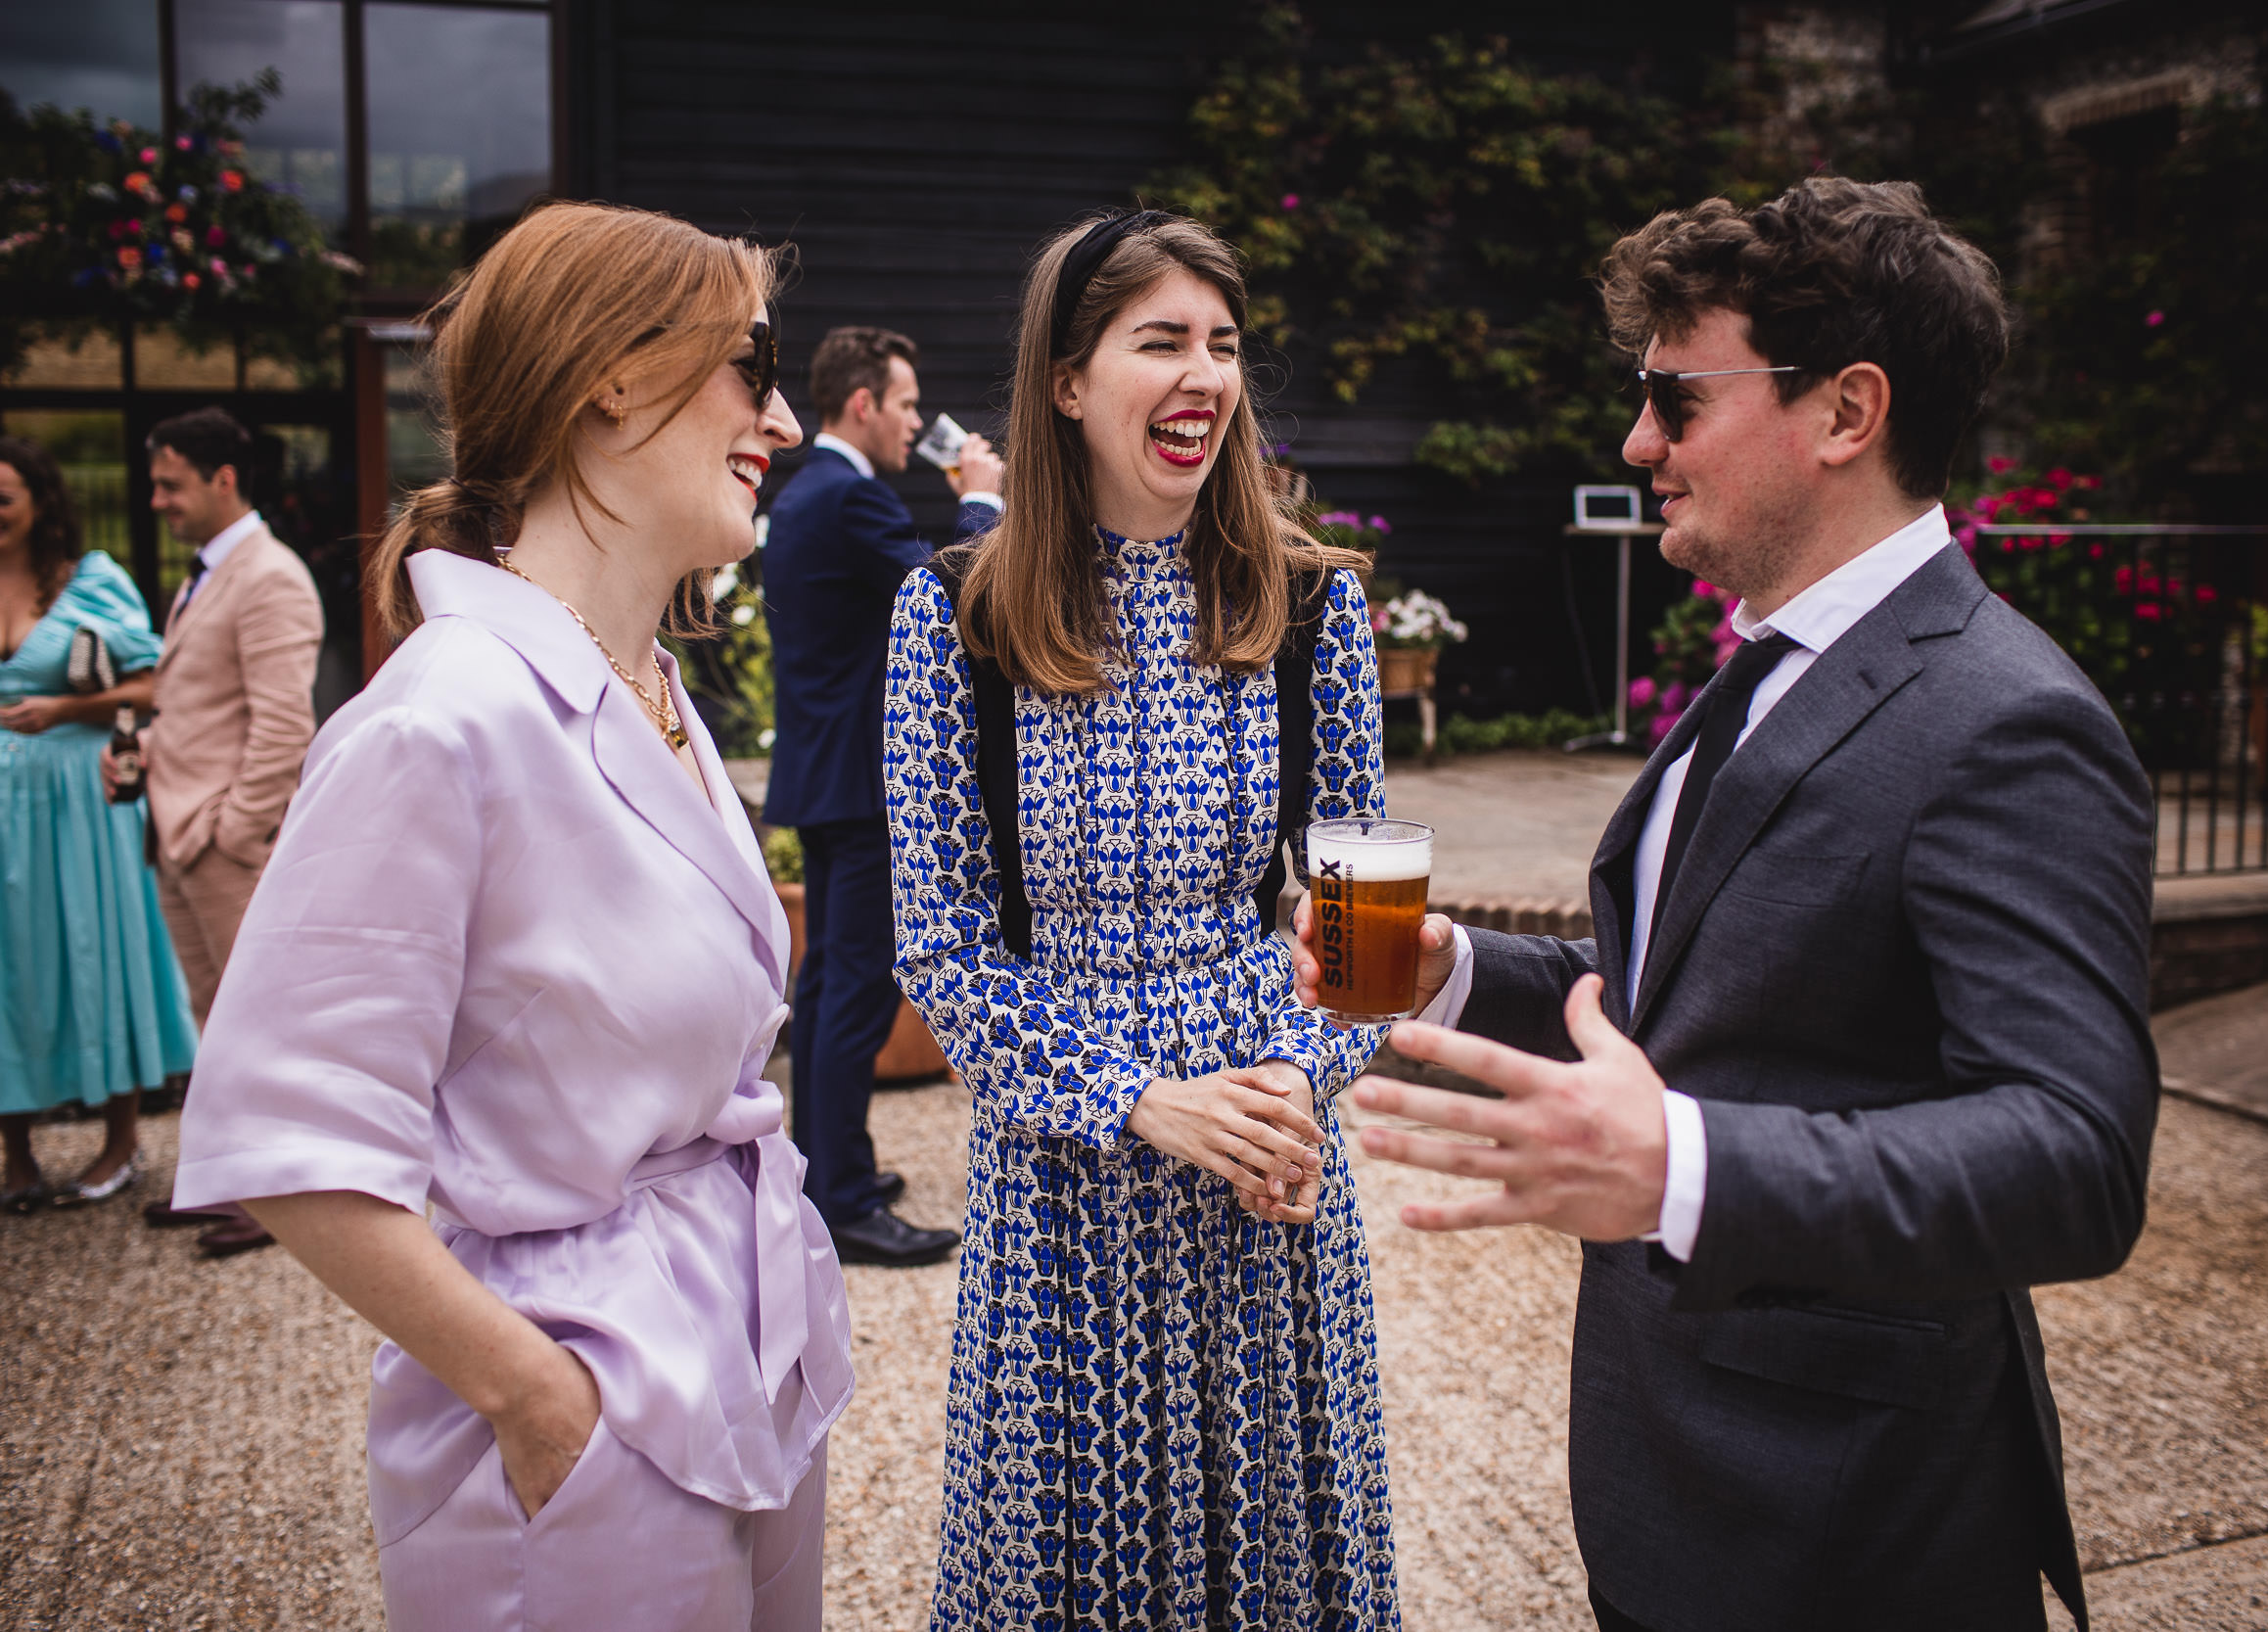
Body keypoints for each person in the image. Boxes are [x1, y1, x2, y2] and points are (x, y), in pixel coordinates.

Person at [1292, 177, 2155, 1632]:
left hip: (1848, 1523)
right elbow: (1685, 992)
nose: (1638, 441)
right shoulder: (1771, 663)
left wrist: (1684, 1163)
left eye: (1676, 398)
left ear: (1843, 411)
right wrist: (1443, 972)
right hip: (1676, 1485)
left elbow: (2075, 1157)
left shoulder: (2009, 719)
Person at [169, 201, 852, 1631]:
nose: (779, 418)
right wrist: (539, 1396)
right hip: (587, 1386)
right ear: (612, 371)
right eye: (751, 362)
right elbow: (278, 1126)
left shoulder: (648, 687)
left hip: (740, 1334)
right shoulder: (441, 718)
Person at [886, 210, 1400, 1627]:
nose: (1204, 377)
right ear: (1066, 379)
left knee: (1276, 1552)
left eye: (1223, 345)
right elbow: (939, 945)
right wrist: (1137, 1097)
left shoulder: (1311, 605)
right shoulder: (956, 615)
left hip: (1264, 1148)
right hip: (1065, 1175)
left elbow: (1372, 925)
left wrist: (1303, 1073)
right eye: (1161, 341)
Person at [761, 325, 1003, 1265]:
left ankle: (829, 1167)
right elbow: (953, 602)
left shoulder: (809, 492)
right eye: (906, 405)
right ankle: (845, 1200)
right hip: (862, 784)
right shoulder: (851, 496)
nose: (916, 425)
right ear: (861, 404)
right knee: (853, 990)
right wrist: (980, 498)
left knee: (826, 987)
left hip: (826, 776)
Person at [0, 438, 197, 1207]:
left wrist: (65, 708)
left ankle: (119, 1136)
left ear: (38, 502)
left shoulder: (91, 584)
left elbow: (152, 684)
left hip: (76, 793)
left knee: (96, 941)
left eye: (1, 499)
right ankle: (16, 1151)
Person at [135, 406, 324, 1256]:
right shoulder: (205, 574)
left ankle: (274, 1197)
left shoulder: (269, 575)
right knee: (215, 1016)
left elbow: (282, 725)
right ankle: (227, 1178)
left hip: (217, 840)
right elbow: (200, 706)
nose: (157, 501)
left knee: (252, 1022)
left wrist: (234, 833)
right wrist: (142, 756)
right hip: (175, 831)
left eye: (171, 483)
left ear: (223, 479)